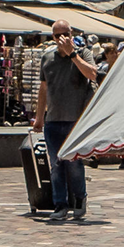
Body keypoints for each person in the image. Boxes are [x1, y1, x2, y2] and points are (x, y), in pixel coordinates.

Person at [32, 20, 96, 220]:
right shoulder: (47, 58)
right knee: (56, 165)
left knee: (74, 164)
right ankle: (60, 205)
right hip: (53, 120)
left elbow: (93, 75)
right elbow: (43, 89)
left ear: (71, 33)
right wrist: (39, 117)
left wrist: (73, 55)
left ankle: (79, 199)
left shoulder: (83, 53)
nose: (62, 38)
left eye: (65, 34)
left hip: (75, 120)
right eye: (57, 35)